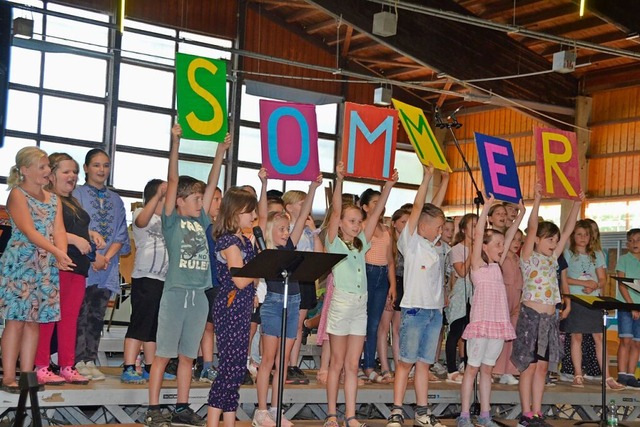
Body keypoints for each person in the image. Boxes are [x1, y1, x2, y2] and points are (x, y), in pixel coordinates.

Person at [144, 124, 229, 427]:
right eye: (194, 198)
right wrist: (175, 143)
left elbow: (211, 182)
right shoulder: (170, 221)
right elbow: (173, 179)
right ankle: (153, 408)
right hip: (176, 292)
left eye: (200, 198)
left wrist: (220, 153)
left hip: (199, 296)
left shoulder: (202, 218)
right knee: (163, 354)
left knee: (187, 357)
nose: (200, 202)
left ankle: (182, 406)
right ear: (179, 201)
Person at [324, 162, 397, 427]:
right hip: (342, 303)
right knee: (337, 363)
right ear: (341, 224)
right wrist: (339, 180)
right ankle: (332, 415)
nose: (356, 226)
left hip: (360, 306)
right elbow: (334, 213)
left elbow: (375, 215)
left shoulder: (361, 244)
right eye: (351, 222)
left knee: (353, 365)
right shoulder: (333, 242)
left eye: (358, 222)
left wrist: (387, 186)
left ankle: (351, 415)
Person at [0, 147, 74, 393]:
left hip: (45, 266)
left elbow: (59, 230)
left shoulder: (53, 199)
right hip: (20, 265)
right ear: (25, 170)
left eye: (47, 167)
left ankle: (28, 376)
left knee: (34, 322)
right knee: (16, 321)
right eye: (42, 167)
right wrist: (57, 252)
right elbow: (30, 232)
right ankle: (9, 376)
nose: (47, 172)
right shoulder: (17, 195)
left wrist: (61, 253)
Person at [253, 169, 323, 427]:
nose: (286, 232)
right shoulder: (265, 248)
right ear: (271, 231)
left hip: (292, 304)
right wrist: (264, 184)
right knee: (268, 360)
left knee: (282, 362)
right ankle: (260, 412)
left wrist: (313, 189)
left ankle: (275, 407)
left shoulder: (291, 246)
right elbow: (261, 217)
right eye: (281, 229)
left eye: (287, 229)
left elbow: (303, 215)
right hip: (273, 304)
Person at [512, 183, 582, 427]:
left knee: (542, 369)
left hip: (550, 320)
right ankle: (525, 413)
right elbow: (531, 228)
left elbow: (568, 230)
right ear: (537, 241)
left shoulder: (553, 260)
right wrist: (538, 199)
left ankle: (537, 412)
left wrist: (577, 204)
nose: (554, 243)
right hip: (531, 318)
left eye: (555, 240)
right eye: (549, 239)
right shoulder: (528, 259)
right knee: (528, 369)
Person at [35, 153, 105, 386]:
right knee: (49, 318)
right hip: (58, 266)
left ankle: (67, 365)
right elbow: (46, 230)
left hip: (78, 268)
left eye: (74, 171)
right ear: (51, 175)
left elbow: (73, 225)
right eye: (66, 171)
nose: (72, 176)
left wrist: (90, 234)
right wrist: (74, 239)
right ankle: (42, 365)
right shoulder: (47, 199)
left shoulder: (72, 201)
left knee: (69, 320)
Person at [456, 195, 524, 427]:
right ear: (484, 246)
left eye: (502, 245)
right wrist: (485, 208)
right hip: (481, 324)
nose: (501, 248)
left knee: (487, 371)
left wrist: (522, 213)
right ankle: (464, 415)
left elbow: (511, 232)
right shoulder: (477, 264)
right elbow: (477, 236)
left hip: (497, 325)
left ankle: (485, 415)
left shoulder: (498, 264)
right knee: (472, 370)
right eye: (497, 245)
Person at [385, 165, 446, 427]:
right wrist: (427, 177)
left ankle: (422, 412)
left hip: (434, 312)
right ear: (421, 226)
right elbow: (421, 205)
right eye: (438, 227)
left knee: (424, 365)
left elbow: (435, 206)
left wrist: (445, 179)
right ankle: (396, 412)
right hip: (414, 310)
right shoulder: (409, 242)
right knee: (405, 363)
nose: (441, 231)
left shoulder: (433, 245)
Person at [73, 148, 130, 381]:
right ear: (86, 168)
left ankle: (89, 359)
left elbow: (121, 234)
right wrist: (94, 256)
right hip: (84, 263)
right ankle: (75, 361)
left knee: (97, 314)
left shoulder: (116, 200)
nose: (101, 170)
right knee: (79, 312)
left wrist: (106, 257)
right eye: (96, 165)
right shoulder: (76, 195)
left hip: (107, 266)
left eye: (105, 165)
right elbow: (74, 227)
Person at [207, 187, 258, 427]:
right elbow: (239, 279)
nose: (254, 215)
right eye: (250, 211)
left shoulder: (244, 240)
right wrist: (261, 266)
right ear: (236, 212)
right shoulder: (228, 241)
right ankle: (212, 422)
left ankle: (229, 422)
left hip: (242, 306)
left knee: (237, 368)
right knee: (228, 367)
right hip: (230, 308)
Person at [121, 179, 175, 384]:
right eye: (165, 198)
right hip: (145, 278)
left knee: (154, 326)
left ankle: (150, 367)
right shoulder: (142, 214)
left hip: (163, 279)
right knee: (139, 323)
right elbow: (141, 222)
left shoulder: (168, 222)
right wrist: (156, 196)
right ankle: (128, 365)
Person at [560, 220, 624, 390]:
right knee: (576, 337)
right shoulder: (567, 253)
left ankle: (607, 376)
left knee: (599, 337)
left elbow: (602, 279)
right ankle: (578, 373)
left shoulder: (597, 254)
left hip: (593, 301)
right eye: (579, 234)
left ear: (590, 237)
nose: (583, 238)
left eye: (586, 235)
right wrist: (584, 283)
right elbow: (563, 279)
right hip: (576, 299)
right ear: (573, 236)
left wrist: (595, 285)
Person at [282, 187, 323, 386]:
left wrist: (314, 231)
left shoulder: (308, 230)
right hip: (291, 279)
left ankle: (293, 363)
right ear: (289, 207)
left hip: (306, 279)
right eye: (301, 203)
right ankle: (283, 363)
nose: (305, 207)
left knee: (298, 325)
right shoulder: (285, 227)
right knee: (290, 323)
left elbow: (319, 255)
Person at [359, 187, 396, 384]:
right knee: (360, 322)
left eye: (380, 202)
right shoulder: (363, 226)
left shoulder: (387, 231)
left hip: (382, 276)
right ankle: (356, 363)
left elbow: (390, 260)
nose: (379, 206)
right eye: (375, 202)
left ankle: (369, 365)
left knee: (374, 323)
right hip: (367, 273)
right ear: (365, 207)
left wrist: (392, 286)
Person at [445, 213, 478, 384]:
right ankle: (451, 369)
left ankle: (468, 365)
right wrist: (472, 250)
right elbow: (462, 271)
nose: (476, 229)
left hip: (477, 293)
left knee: (472, 333)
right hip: (461, 293)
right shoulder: (456, 249)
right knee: (456, 331)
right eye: (473, 226)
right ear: (464, 230)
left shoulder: (482, 249)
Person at [197, 186, 223, 384]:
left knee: (211, 326)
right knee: (206, 326)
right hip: (206, 283)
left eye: (221, 199)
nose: (219, 203)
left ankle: (207, 364)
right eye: (214, 199)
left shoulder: (221, 228)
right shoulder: (205, 225)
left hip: (219, 283)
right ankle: (205, 364)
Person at [493, 228, 524, 385]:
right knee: (501, 336)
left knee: (512, 336)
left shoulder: (518, 260)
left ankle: (509, 370)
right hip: (504, 298)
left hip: (516, 298)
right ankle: (497, 369)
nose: (517, 243)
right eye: (514, 239)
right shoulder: (502, 259)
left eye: (519, 240)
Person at [615, 228, 640, 388]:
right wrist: (631, 306)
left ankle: (631, 374)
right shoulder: (624, 259)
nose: (634, 243)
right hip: (626, 305)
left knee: (637, 343)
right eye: (631, 240)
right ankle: (622, 374)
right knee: (626, 339)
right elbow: (622, 283)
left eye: (638, 240)